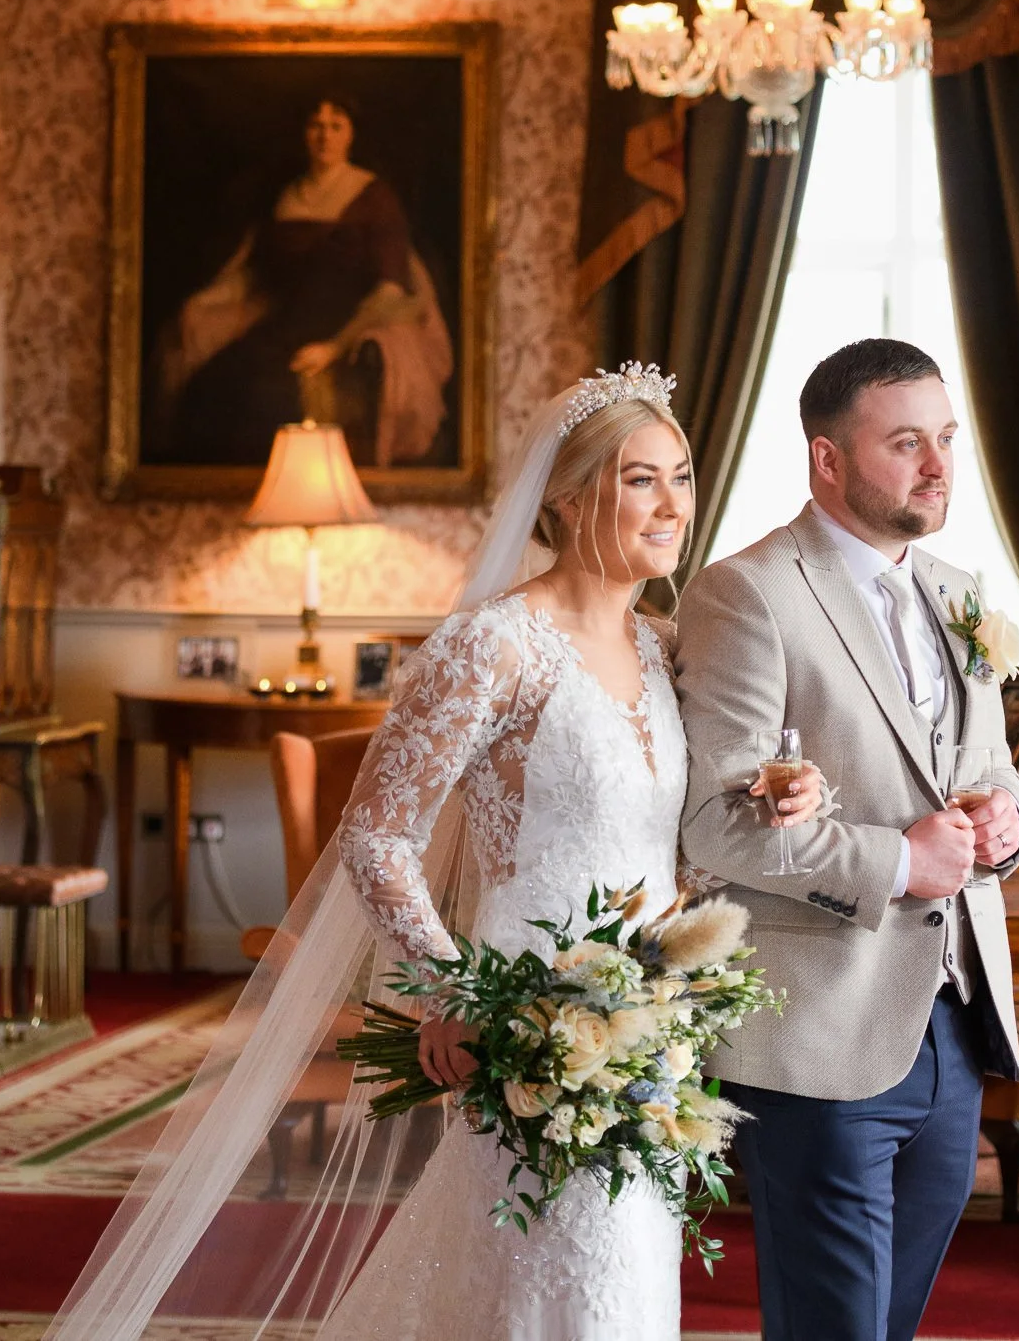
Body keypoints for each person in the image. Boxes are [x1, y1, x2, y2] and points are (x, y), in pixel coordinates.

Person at [42, 366, 824, 1341]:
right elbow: (375, 835)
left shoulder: (668, 648)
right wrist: (452, 991)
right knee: (542, 1284)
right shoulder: (491, 645)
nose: (672, 505)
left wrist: (776, 798)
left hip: (650, 1034)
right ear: (568, 496)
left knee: (623, 1285)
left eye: (681, 476)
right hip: (521, 1029)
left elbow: (684, 846)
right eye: (640, 480)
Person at [677, 336, 1019, 1341]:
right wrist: (895, 861)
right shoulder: (744, 592)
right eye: (905, 443)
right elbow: (712, 823)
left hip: (954, 1022)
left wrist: (1005, 823)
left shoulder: (960, 593)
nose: (935, 468)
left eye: (946, 441)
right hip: (819, 1027)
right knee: (833, 1327)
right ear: (825, 459)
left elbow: (989, 771)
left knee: (890, 1325)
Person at [152, 90, 452, 468]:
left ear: (350, 135)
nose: (324, 136)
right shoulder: (286, 196)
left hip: (345, 325)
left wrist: (335, 346)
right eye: (316, 126)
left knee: (270, 397)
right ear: (304, 133)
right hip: (282, 325)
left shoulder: (374, 196)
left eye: (335, 126)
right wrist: (201, 304)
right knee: (211, 387)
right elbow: (253, 275)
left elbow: (389, 290)